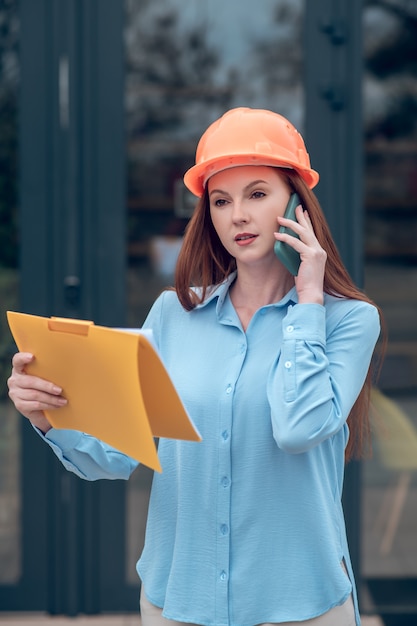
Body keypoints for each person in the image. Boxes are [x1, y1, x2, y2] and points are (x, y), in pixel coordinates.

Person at [8, 107, 382, 626]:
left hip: (302, 606)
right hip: (179, 602)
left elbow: (299, 428)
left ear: (297, 205)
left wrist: (308, 302)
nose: (238, 216)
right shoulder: (173, 315)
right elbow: (114, 456)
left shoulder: (348, 321)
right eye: (220, 201)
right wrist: (46, 416)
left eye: (257, 194)